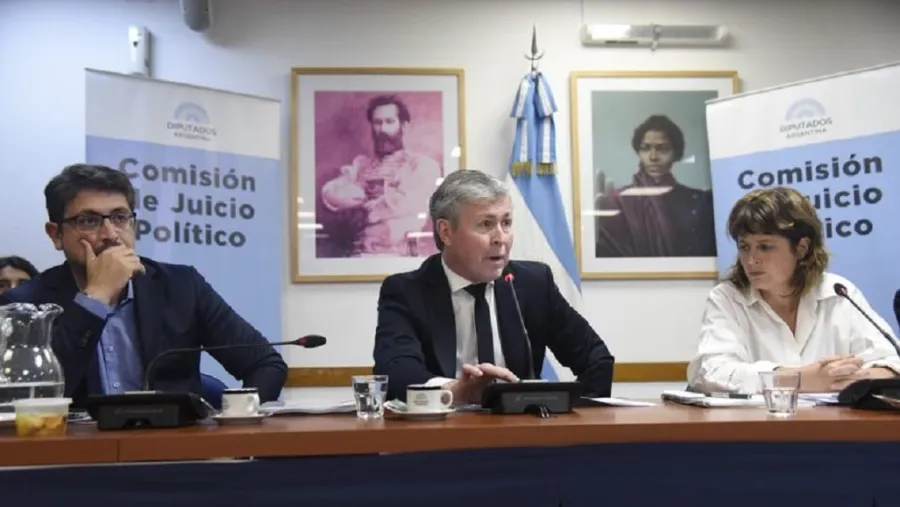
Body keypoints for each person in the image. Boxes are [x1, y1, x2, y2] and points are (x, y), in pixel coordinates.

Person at [0, 164, 287, 405]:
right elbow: (28, 397)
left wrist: (233, 419)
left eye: (120, 217)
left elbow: (265, 364)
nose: (110, 234)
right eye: (89, 221)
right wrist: (96, 297)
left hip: (170, 447)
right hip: (75, 452)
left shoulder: (181, 286)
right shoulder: (21, 305)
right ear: (56, 235)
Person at [373, 169, 615, 403]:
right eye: (486, 224)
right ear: (446, 232)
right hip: (443, 426)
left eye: (506, 222)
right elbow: (396, 373)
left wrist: (566, 413)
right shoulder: (406, 292)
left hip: (520, 428)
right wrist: (454, 392)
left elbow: (597, 360)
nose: (501, 238)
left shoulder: (533, 284)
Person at [687, 186, 899, 394]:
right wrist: (799, 379)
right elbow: (711, 372)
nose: (751, 260)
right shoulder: (728, 297)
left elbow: (892, 360)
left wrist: (852, 378)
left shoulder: (838, 292)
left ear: (801, 248)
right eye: (744, 247)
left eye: (765, 246)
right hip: (762, 418)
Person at [320, 94, 442, 257]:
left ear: (403, 126)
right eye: (377, 123)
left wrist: (364, 211)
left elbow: (407, 204)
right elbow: (330, 194)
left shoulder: (421, 165)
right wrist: (361, 196)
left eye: (389, 122)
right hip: (357, 256)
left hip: (398, 256)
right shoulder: (361, 165)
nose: (382, 129)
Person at [594, 114, 716, 258]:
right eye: (645, 148)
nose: (653, 157)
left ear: (676, 152)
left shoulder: (698, 201)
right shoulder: (619, 200)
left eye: (662, 149)